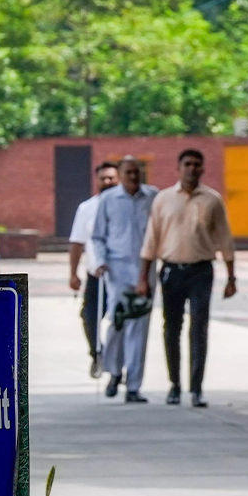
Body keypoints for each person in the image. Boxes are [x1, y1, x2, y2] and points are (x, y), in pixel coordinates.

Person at [137, 149, 236, 408]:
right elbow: (151, 239)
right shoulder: (163, 199)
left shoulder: (212, 200)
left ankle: (196, 388)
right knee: (172, 328)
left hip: (201, 270)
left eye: (197, 165)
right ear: (178, 168)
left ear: (203, 169)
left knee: (199, 328)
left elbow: (225, 239)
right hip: (171, 270)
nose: (192, 169)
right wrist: (143, 278)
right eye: (187, 164)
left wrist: (231, 276)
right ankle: (175, 385)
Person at [91, 157, 158, 403]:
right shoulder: (109, 199)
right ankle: (114, 372)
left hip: (145, 266)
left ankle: (134, 386)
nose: (133, 176)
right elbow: (97, 236)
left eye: (137, 172)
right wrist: (99, 261)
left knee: (139, 325)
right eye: (128, 172)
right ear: (120, 174)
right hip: (117, 268)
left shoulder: (152, 196)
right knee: (117, 321)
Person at [68, 161, 120, 376]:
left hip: (121, 275)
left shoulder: (125, 207)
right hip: (96, 274)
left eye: (111, 178)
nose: (107, 182)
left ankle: (117, 363)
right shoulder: (87, 208)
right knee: (89, 316)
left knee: (119, 321)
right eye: (103, 178)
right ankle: (96, 355)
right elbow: (77, 242)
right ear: (96, 180)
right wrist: (73, 273)